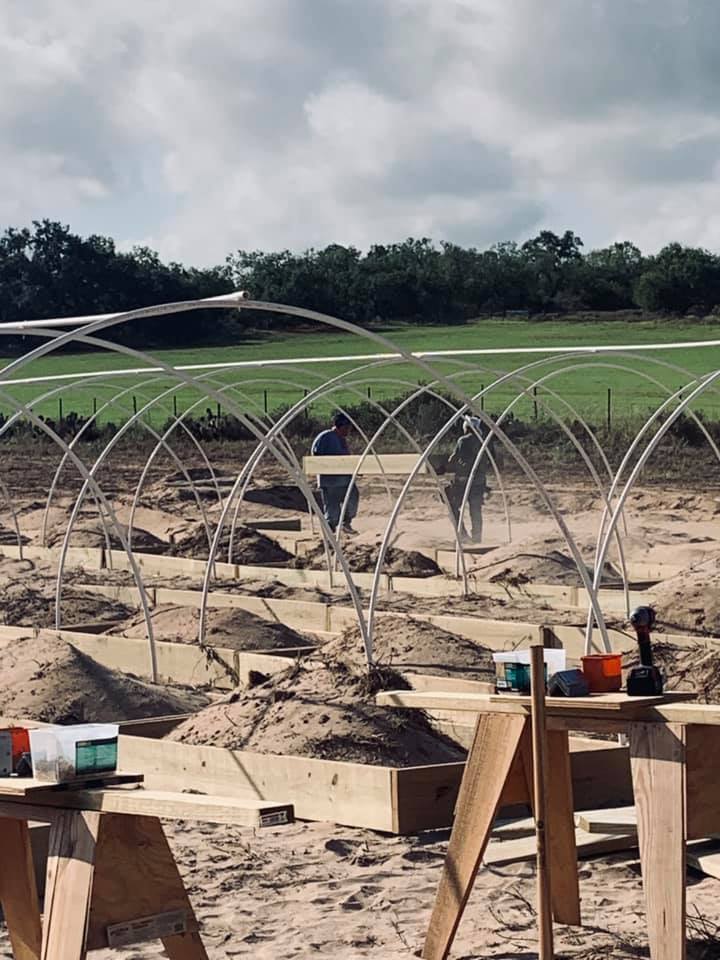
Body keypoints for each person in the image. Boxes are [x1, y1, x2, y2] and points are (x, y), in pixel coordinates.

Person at [311, 412, 359, 535]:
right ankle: (330, 531)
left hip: (344, 479)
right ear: (340, 426)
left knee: (352, 498)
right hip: (330, 481)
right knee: (332, 508)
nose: (348, 431)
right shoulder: (326, 437)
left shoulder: (341, 440)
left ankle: (346, 524)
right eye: (347, 428)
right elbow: (316, 455)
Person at [446, 416, 489, 542]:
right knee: (475, 510)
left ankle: (463, 535)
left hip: (463, 481)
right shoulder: (483, 441)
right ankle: (477, 537)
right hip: (479, 481)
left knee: (453, 507)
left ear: (466, 427)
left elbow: (454, 458)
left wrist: (445, 466)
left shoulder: (463, 440)